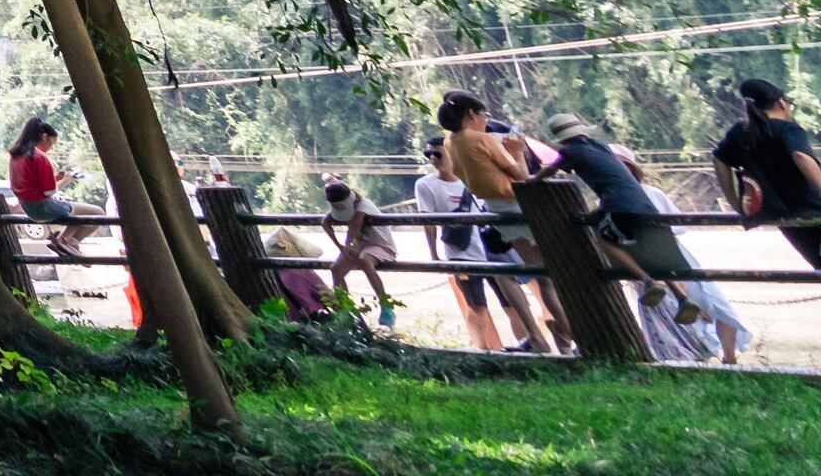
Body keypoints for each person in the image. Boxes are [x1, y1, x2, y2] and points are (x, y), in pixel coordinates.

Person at [548, 116, 754, 366]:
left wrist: (533, 181)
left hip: (642, 257)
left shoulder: (604, 188)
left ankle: (660, 294)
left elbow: (554, 169)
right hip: (667, 253)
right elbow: (675, 230)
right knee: (714, 305)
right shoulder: (638, 187)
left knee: (607, 240)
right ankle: (723, 354)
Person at [412, 118, 552, 354]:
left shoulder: (470, 176)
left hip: (492, 245)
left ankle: (530, 341)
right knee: (477, 304)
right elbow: (428, 222)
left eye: (438, 154)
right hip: (463, 251)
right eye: (429, 156)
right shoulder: (426, 185)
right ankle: (483, 349)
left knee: (513, 299)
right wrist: (434, 253)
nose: (433, 160)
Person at [716, 78, 821, 274]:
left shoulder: (740, 132)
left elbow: (719, 160)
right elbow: (800, 156)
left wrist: (736, 202)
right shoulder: (788, 129)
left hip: (779, 216)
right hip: (811, 210)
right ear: (782, 102)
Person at [320, 180, 410, 330]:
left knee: (364, 260)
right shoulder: (339, 207)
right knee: (336, 269)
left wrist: (347, 245)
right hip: (359, 245)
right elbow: (325, 222)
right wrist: (340, 246)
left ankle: (386, 305)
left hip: (381, 244)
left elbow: (354, 227)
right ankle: (345, 309)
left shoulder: (364, 205)